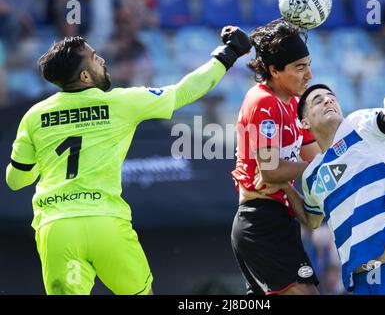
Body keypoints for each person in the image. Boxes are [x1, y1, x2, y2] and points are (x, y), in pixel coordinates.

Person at [5, 27, 251, 295]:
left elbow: (16, 181)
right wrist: (228, 53)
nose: (102, 60)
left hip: (58, 228)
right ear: (85, 76)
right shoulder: (121, 102)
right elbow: (185, 92)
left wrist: (43, 161)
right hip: (106, 223)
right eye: (94, 57)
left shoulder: (34, 116)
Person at [279, 84, 385, 294]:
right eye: (318, 100)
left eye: (331, 97)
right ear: (304, 122)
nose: (328, 100)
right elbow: (312, 219)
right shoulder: (311, 176)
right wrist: (283, 186)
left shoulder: (359, 125)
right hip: (365, 281)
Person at [230, 19, 322, 295]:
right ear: (274, 70)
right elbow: (270, 171)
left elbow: (319, 161)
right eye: (300, 67)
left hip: (280, 220)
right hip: (261, 222)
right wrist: (312, 167)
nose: (309, 75)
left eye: (308, 65)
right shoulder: (263, 102)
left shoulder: (295, 104)